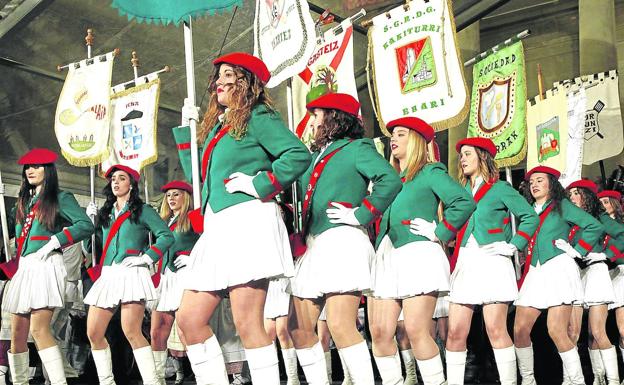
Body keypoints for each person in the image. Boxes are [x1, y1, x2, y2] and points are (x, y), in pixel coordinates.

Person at [172, 52, 311, 384]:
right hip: (220, 227)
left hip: (248, 222)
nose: (219, 81)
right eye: (217, 76)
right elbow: (202, 177)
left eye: (228, 75)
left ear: (246, 82)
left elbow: (298, 154)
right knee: (189, 319)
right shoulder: (222, 127)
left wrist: (259, 183)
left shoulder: (258, 116)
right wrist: (186, 132)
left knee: (248, 323)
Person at [287, 93, 402, 385]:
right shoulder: (314, 156)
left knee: (339, 324)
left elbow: (390, 180)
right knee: (298, 328)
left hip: (342, 241)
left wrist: (362, 214)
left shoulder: (357, 148)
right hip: (313, 244)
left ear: (335, 117)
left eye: (316, 115)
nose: (311, 122)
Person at [369, 117, 475, 385]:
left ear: (416, 140)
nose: (394, 139)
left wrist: (440, 231)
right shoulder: (390, 179)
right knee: (380, 333)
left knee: (417, 330)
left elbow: (463, 202)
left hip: (418, 253)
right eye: (392, 135)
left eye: (401, 134)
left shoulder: (430, 171)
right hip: (388, 254)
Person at [445, 138, 538, 385]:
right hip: (465, 260)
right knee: (455, 332)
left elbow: (529, 217)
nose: (462, 159)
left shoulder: (500, 188)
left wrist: (513, 245)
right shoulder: (459, 192)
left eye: (467, 154)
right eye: (461, 155)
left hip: (493, 259)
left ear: (482, 156)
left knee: (496, 330)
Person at [1, 148, 93, 385]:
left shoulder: (61, 198)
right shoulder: (24, 201)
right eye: (27, 167)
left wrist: (56, 240)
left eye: (36, 166)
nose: (30, 170)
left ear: (48, 170)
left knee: (39, 329)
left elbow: (85, 225)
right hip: (25, 267)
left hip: (46, 264)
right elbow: (14, 231)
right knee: (17, 333)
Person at [84, 165, 174, 385]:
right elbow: (91, 247)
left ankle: (154, 382)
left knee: (132, 331)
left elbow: (166, 236)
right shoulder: (106, 213)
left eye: (121, 178)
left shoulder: (143, 210)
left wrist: (146, 258)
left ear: (131, 184)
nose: (115, 182)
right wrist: (91, 223)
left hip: (132, 272)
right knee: (93, 333)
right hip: (108, 274)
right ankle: (107, 382)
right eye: (113, 179)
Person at [514, 166, 603, 385]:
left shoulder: (561, 206)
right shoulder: (528, 210)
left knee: (556, 329)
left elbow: (594, 226)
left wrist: (578, 250)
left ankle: (577, 381)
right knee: (519, 330)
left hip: (558, 267)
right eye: (531, 181)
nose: (534, 184)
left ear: (551, 183)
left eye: (540, 180)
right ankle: (528, 380)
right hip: (535, 271)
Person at [565, 180, 619, 385]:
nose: (572, 197)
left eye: (577, 193)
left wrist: (605, 255)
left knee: (598, 331)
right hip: (577, 275)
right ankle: (596, 378)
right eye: (570, 194)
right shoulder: (572, 221)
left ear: (587, 196)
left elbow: (622, 235)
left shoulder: (600, 217)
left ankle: (613, 380)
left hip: (596, 274)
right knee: (575, 332)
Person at [150, 180, 199, 384]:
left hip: (185, 275)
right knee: (156, 330)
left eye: (176, 194)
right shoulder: (164, 223)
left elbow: (210, 243)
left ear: (186, 197)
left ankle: (203, 375)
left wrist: (193, 258)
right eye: (168, 195)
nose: (171, 198)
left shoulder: (193, 218)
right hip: (165, 277)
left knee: (186, 330)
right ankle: (157, 378)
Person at [264, 277, 299, 385]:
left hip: (284, 281)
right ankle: (272, 379)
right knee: (268, 335)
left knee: (283, 332)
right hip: (267, 284)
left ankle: (293, 379)